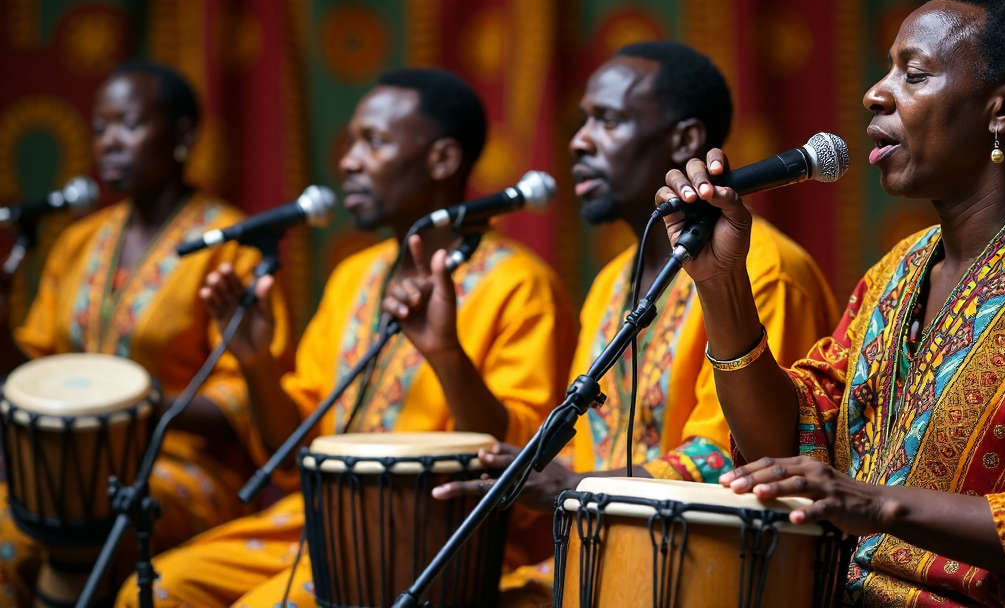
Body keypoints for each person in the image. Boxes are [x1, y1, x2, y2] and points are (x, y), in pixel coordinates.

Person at [659, 0, 1005, 606]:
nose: (874, 94)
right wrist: (721, 284)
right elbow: (789, 437)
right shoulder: (897, 272)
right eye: (889, 71)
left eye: (914, 75)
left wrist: (875, 502)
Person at [114, 67, 577, 608]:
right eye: (353, 141)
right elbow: (295, 452)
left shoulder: (521, 285)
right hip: (316, 524)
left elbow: (519, 466)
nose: (348, 161)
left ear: (443, 160)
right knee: (154, 592)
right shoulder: (353, 276)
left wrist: (447, 357)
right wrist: (257, 365)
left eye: (374, 142)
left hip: (439, 540)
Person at [434, 41, 841, 599]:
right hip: (595, 560)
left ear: (685, 140)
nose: (579, 140)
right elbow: (586, 447)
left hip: (700, 578)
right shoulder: (610, 283)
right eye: (582, 121)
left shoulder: (768, 271)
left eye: (607, 119)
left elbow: (738, 461)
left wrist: (571, 485)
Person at [0, 61, 294, 607]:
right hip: (66, 463)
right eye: (101, 127)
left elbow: (244, 400)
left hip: (185, 468)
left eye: (130, 125)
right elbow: (34, 374)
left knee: (87, 525)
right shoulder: (78, 241)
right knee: (7, 534)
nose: (110, 142)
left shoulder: (232, 248)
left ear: (182, 135)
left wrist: (128, 406)